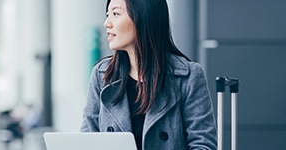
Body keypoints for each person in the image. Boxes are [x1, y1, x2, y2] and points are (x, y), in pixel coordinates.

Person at [81, 0, 217, 149]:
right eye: (108, 15)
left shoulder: (188, 77)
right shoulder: (102, 75)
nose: (107, 23)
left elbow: (203, 145)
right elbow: (89, 140)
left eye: (116, 14)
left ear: (143, 16)